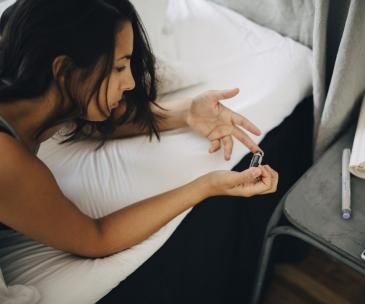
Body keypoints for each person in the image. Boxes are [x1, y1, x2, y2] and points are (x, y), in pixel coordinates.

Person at [0, 0, 278, 271]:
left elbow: (96, 122)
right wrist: (206, 186)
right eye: (119, 67)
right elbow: (96, 238)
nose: (130, 82)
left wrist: (186, 113)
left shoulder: (33, 89)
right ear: (64, 71)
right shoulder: (7, 159)